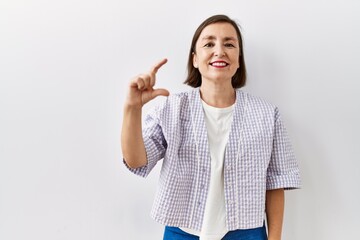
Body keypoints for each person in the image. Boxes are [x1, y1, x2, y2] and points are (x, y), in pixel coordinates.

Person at [121, 14, 301, 240]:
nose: (219, 51)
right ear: (195, 59)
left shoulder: (267, 115)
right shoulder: (172, 109)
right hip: (182, 231)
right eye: (209, 43)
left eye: (229, 44)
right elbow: (137, 160)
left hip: (247, 233)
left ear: (238, 58)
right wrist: (131, 108)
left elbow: (276, 182)